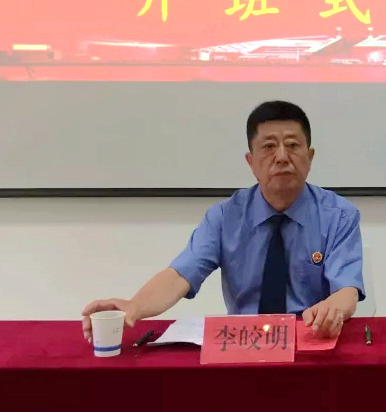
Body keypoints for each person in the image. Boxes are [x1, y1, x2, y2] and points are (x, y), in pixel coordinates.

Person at [82, 101, 364, 343]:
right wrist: (135, 306)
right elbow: (180, 275)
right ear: (251, 162)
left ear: (310, 157)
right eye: (269, 146)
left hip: (311, 337)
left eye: (292, 145)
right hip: (245, 343)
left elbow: (347, 290)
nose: (281, 157)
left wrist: (331, 309)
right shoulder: (225, 216)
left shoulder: (339, 215)